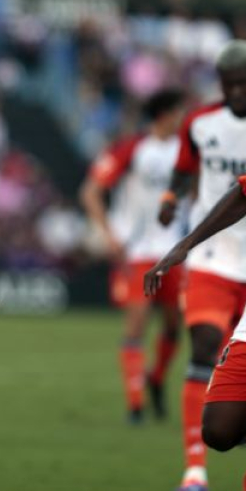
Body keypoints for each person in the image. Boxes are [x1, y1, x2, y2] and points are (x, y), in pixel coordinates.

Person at [156, 40, 246, 491]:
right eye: (226, 83)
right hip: (232, 273)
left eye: (241, 82)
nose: (234, 91)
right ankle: (195, 470)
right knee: (220, 423)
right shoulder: (205, 124)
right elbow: (244, 187)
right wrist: (179, 225)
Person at [80, 89, 187, 424]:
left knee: (173, 326)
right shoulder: (133, 148)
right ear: (165, 114)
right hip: (139, 251)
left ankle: (156, 379)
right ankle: (135, 404)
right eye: (179, 111)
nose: (183, 118)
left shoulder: (188, 150)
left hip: (175, 250)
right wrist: (110, 235)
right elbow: (91, 191)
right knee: (136, 323)